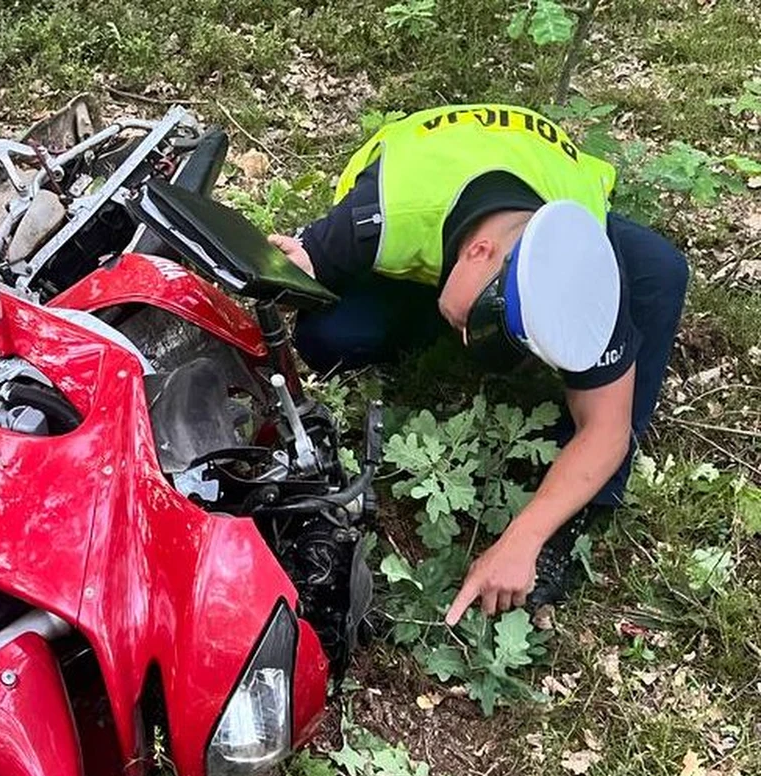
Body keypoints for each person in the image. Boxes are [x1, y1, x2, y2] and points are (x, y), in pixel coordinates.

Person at [268, 103, 688, 624]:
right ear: (478, 252)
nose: (476, 348)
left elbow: (607, 429)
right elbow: (294, 270)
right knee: (329, 334)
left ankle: (580, 511)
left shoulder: (588, 256)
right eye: (485, 324)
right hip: (427, 189)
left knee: (662, 271)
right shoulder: (380, 214)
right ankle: (434, 304)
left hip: (540, 182)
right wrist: (296, 272)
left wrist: (525, 537)